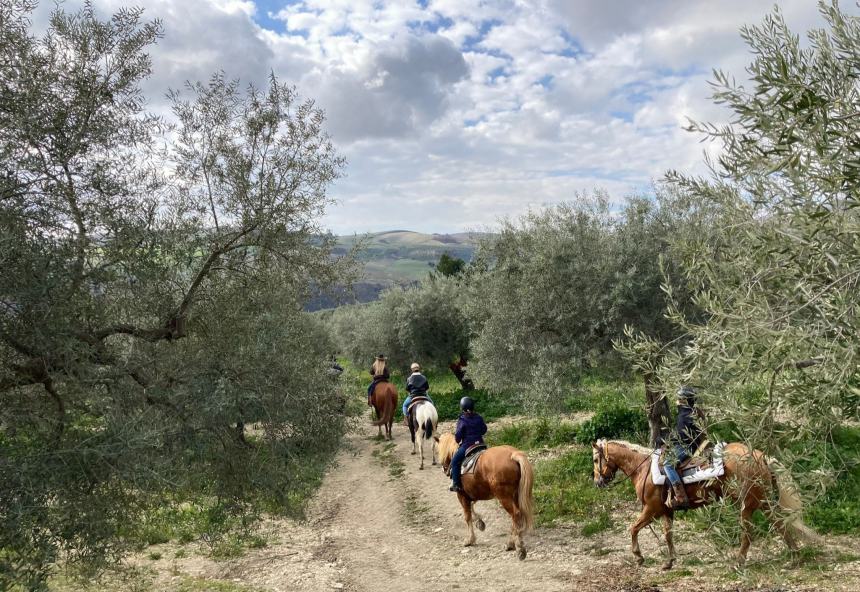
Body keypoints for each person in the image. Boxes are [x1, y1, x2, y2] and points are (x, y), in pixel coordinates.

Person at [662, 386, 704, 510]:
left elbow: (681, 436)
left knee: (667, 464)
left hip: (686, 447)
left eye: (679, 398)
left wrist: (666, 442)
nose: (677, 401)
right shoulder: (692, 412)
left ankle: (680, 496)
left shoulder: (684, 415)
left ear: (684, 400)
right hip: (691, 445)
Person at [449, 396, 487, 493]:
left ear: (462, 407)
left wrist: (458, 440)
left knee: (454, 461)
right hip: (481, 445)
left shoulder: (462, 420)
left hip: (467, 446)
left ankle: (456, 484)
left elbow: (458, 437)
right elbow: (484, 430)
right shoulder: (479, 417)